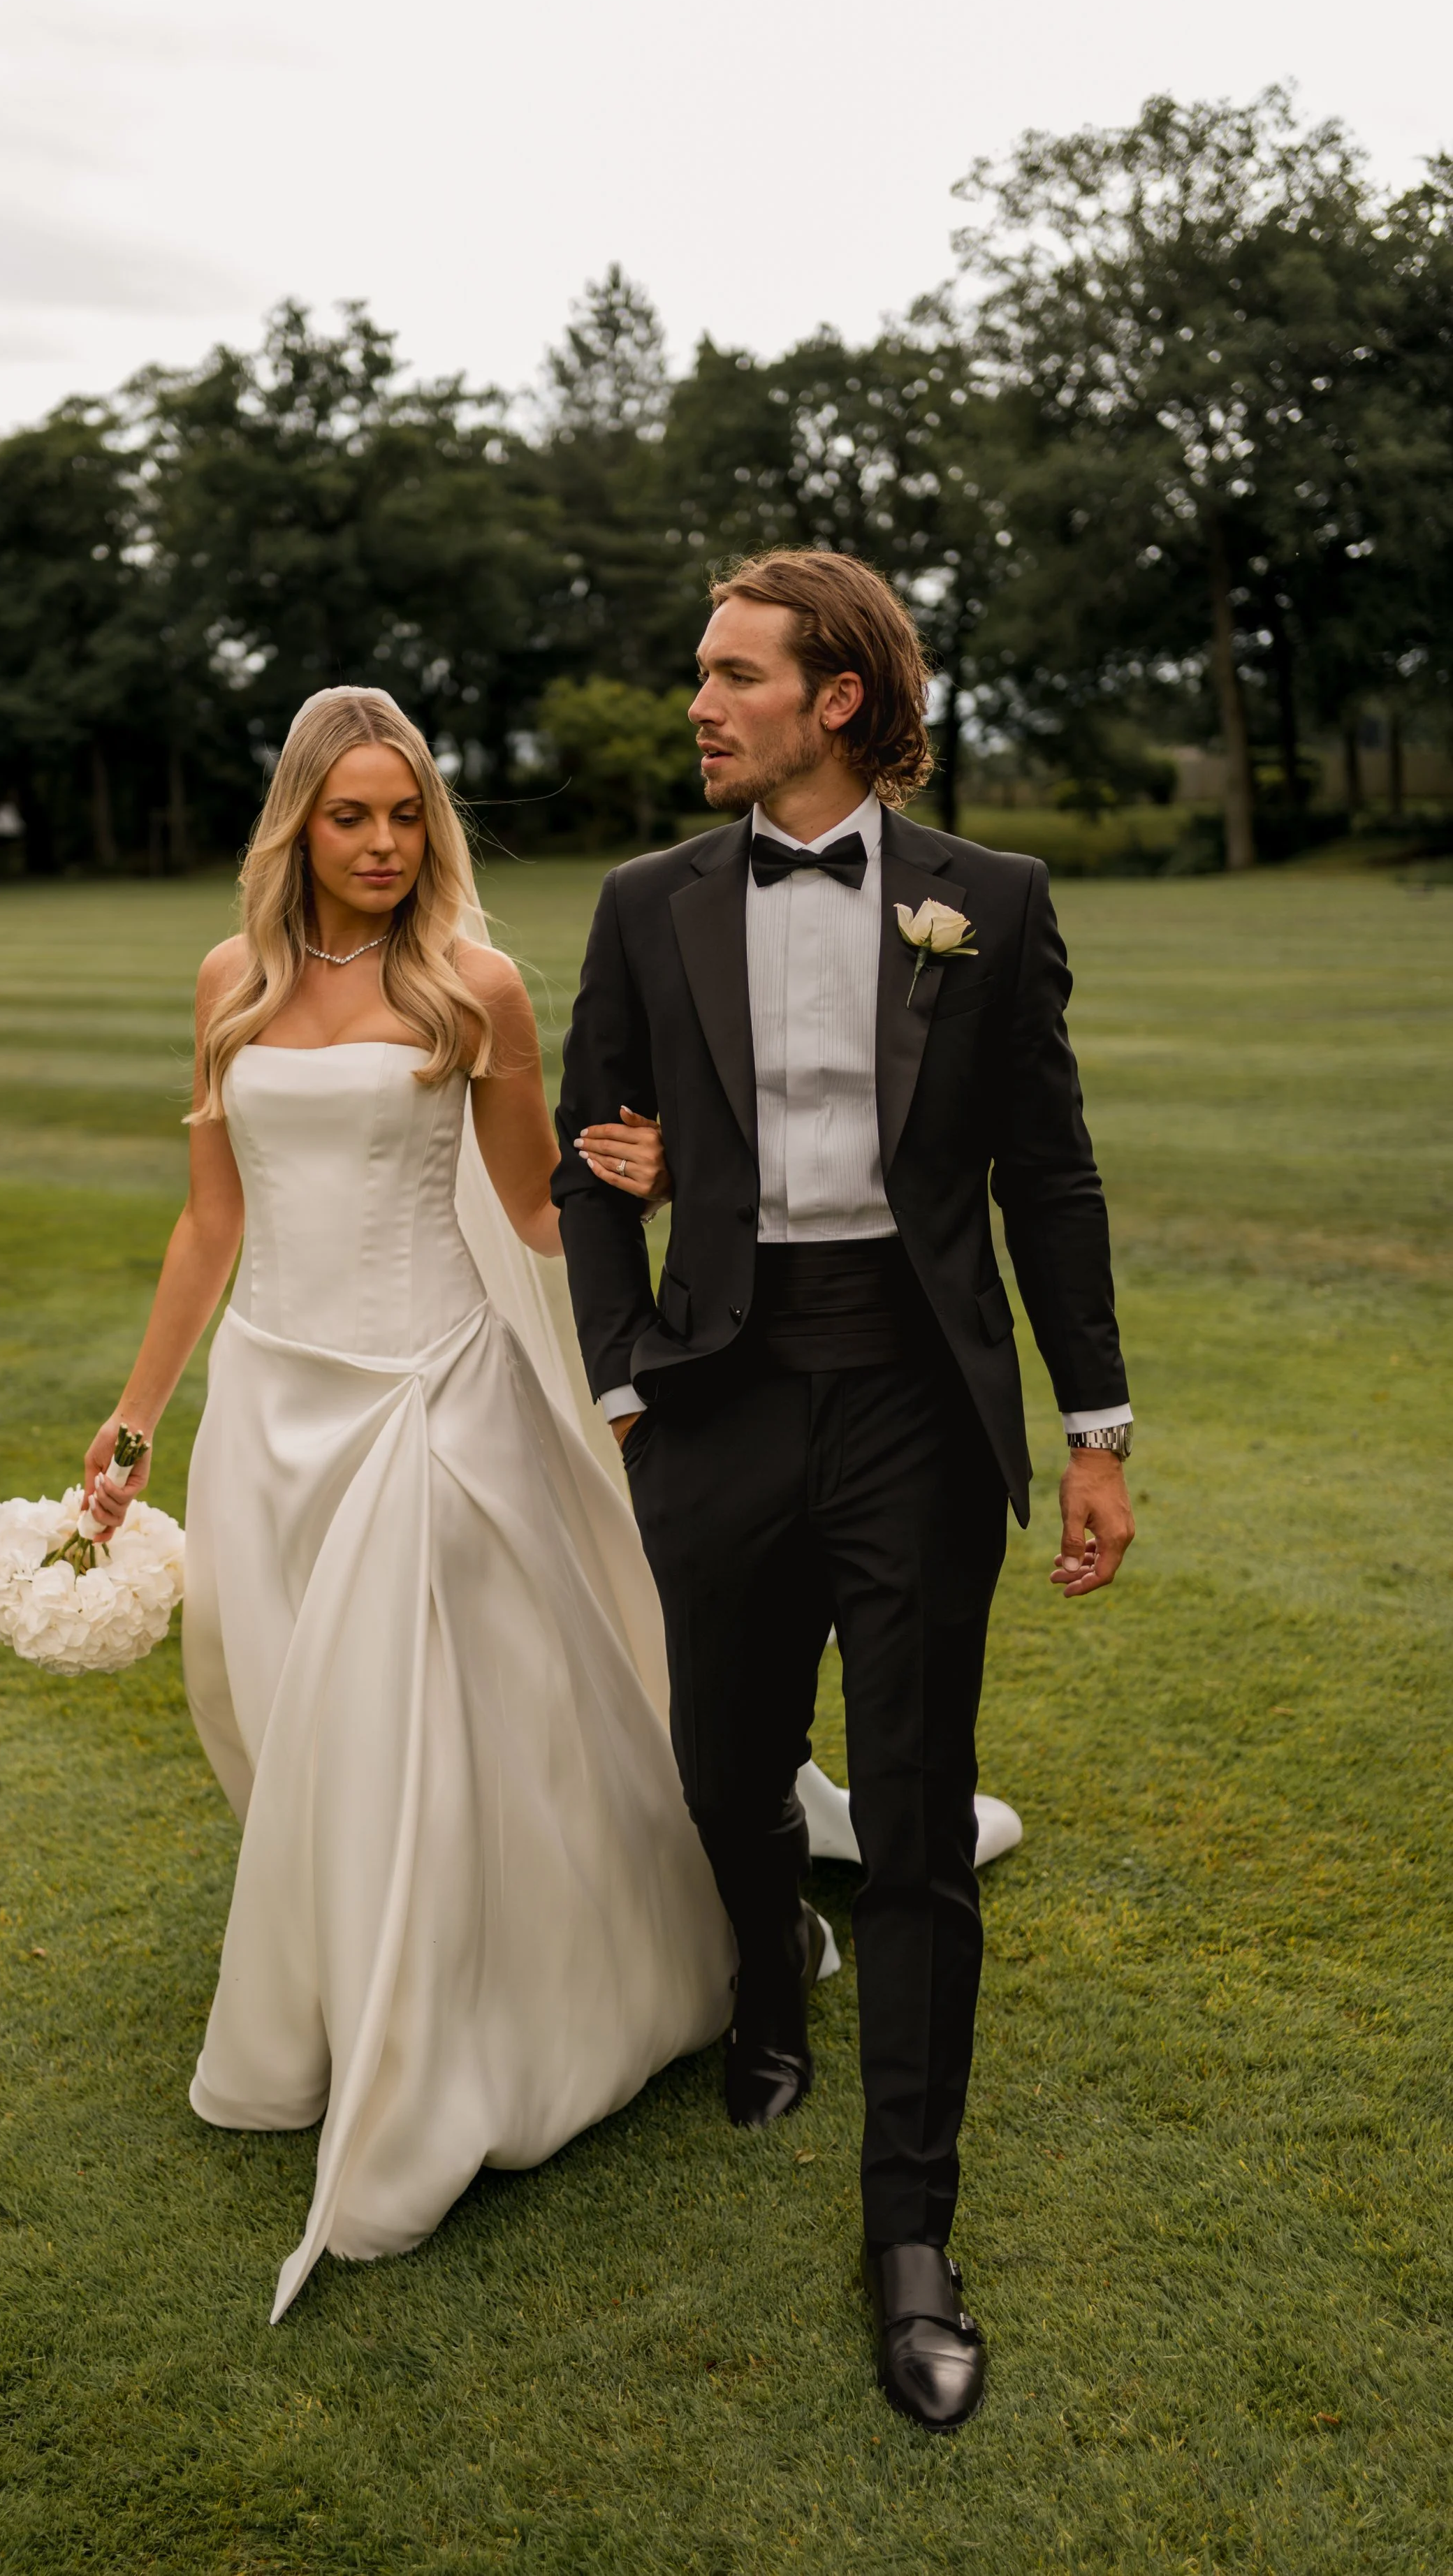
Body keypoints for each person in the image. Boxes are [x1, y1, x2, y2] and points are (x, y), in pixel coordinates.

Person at [554, 548, 1136, 2432]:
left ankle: (910, 2236)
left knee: (903, 1808)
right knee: (723, 1767)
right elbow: (587, 1154)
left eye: (733, 675)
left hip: (911, 1388)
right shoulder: (646, 906)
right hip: (716, 1390)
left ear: (839, 700)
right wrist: (624, 1374)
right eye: (699, 673)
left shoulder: (991, 900)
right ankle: (762, 1991)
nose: (699, 702)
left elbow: (1046, 1173)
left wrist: (1094, 1425)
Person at [80, 685, 741, 2318]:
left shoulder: (476, 986)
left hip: (432, 1394)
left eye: (404, 816)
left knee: (405, 1715)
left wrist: (639, 1194)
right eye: (348, 816)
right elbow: (208, 1222)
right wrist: (135, 1414)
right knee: (292, 1709)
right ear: (297, 822)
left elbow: (531, 1203)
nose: (380, 845)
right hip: (273, 1399)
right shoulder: (229, 982)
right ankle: (351, 1998)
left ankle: (427, 2070)